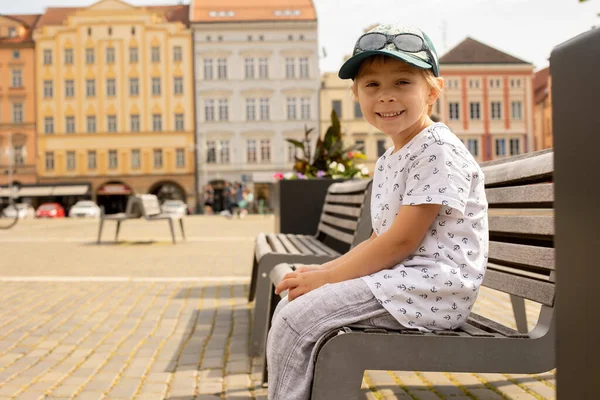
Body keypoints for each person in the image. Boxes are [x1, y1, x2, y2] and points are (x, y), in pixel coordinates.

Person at [266, 23, 489, 400]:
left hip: (433, 289)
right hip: (405, 283)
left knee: (295, 318)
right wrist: (324, 271)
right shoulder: (393, 156)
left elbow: (400, 241)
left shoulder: (435, 149)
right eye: (372, 86)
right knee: (294, 306)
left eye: (402, 82)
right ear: (355, 94)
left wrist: (327, 280)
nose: (386, 97)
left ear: (432, 90)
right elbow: (379, 238)